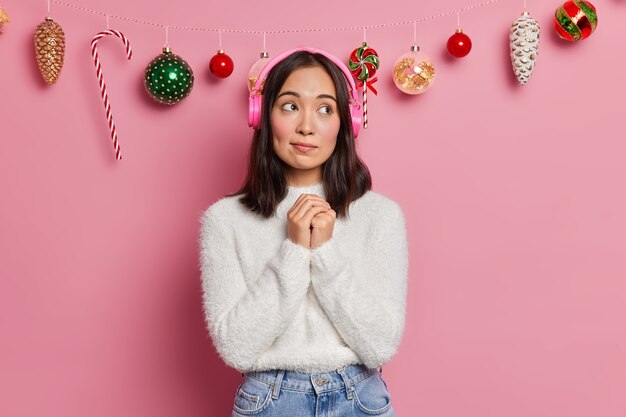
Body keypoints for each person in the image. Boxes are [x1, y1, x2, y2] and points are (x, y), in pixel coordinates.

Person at [199, 47, 409, 417]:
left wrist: (324, 253)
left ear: (348, 122)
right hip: (269, 401)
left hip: (360, 399)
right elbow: (236, 348)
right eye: (290, 106)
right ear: (261, 116)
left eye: (325, 109)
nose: (306, 126)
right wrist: (294, 251)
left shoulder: (381, 216)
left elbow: (379, 346)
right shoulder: (224, 220)